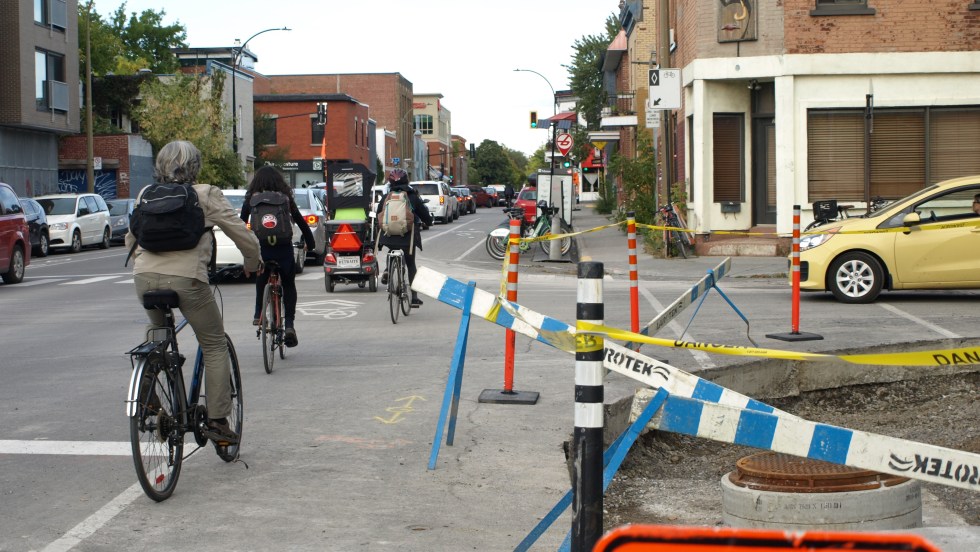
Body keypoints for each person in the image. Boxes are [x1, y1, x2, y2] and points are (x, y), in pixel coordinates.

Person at [126, 140, 261, 445]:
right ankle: (217, 421)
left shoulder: (145, 194)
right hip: (187, 279)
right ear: (194, 167)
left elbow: (131, 238)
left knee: (158, 334)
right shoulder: (206, 194)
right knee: (213, 344)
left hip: (145, 277)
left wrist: (144, 268)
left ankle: (148, 386)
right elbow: (240, 233)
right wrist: (253, 262)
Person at [240, 166, 317, 347]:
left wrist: (246, 252)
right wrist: (310, 245)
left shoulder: (251, 200)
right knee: (289, 284)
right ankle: (289, 324)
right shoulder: (285, 199)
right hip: (283, 249)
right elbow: (301, 222)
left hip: (263, 249)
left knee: (261, 277)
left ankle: (258, 313)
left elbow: (240, 225)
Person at [376, 168, 433, 307]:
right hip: (407, 237)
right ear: (407, 180)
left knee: (392, 249)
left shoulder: (386, 197)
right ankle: (414, 298)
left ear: (390, 182)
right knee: (410, 264)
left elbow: (379, 216)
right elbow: (426, 217)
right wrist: (428, 221)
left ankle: (389, 269)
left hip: (388, 236)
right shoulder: (412, 196)